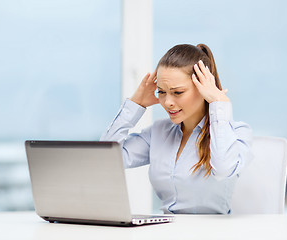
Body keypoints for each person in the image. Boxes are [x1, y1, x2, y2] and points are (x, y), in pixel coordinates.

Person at [101, 43, 253, 214]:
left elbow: (223, 169)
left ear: (203, 88)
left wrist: (219, 104)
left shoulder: (237, 133)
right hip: (166, 231)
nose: (167, 102)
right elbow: (107, 159)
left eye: (178, 92)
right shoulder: (158, 132)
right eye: (162, 92)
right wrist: (135, 104)